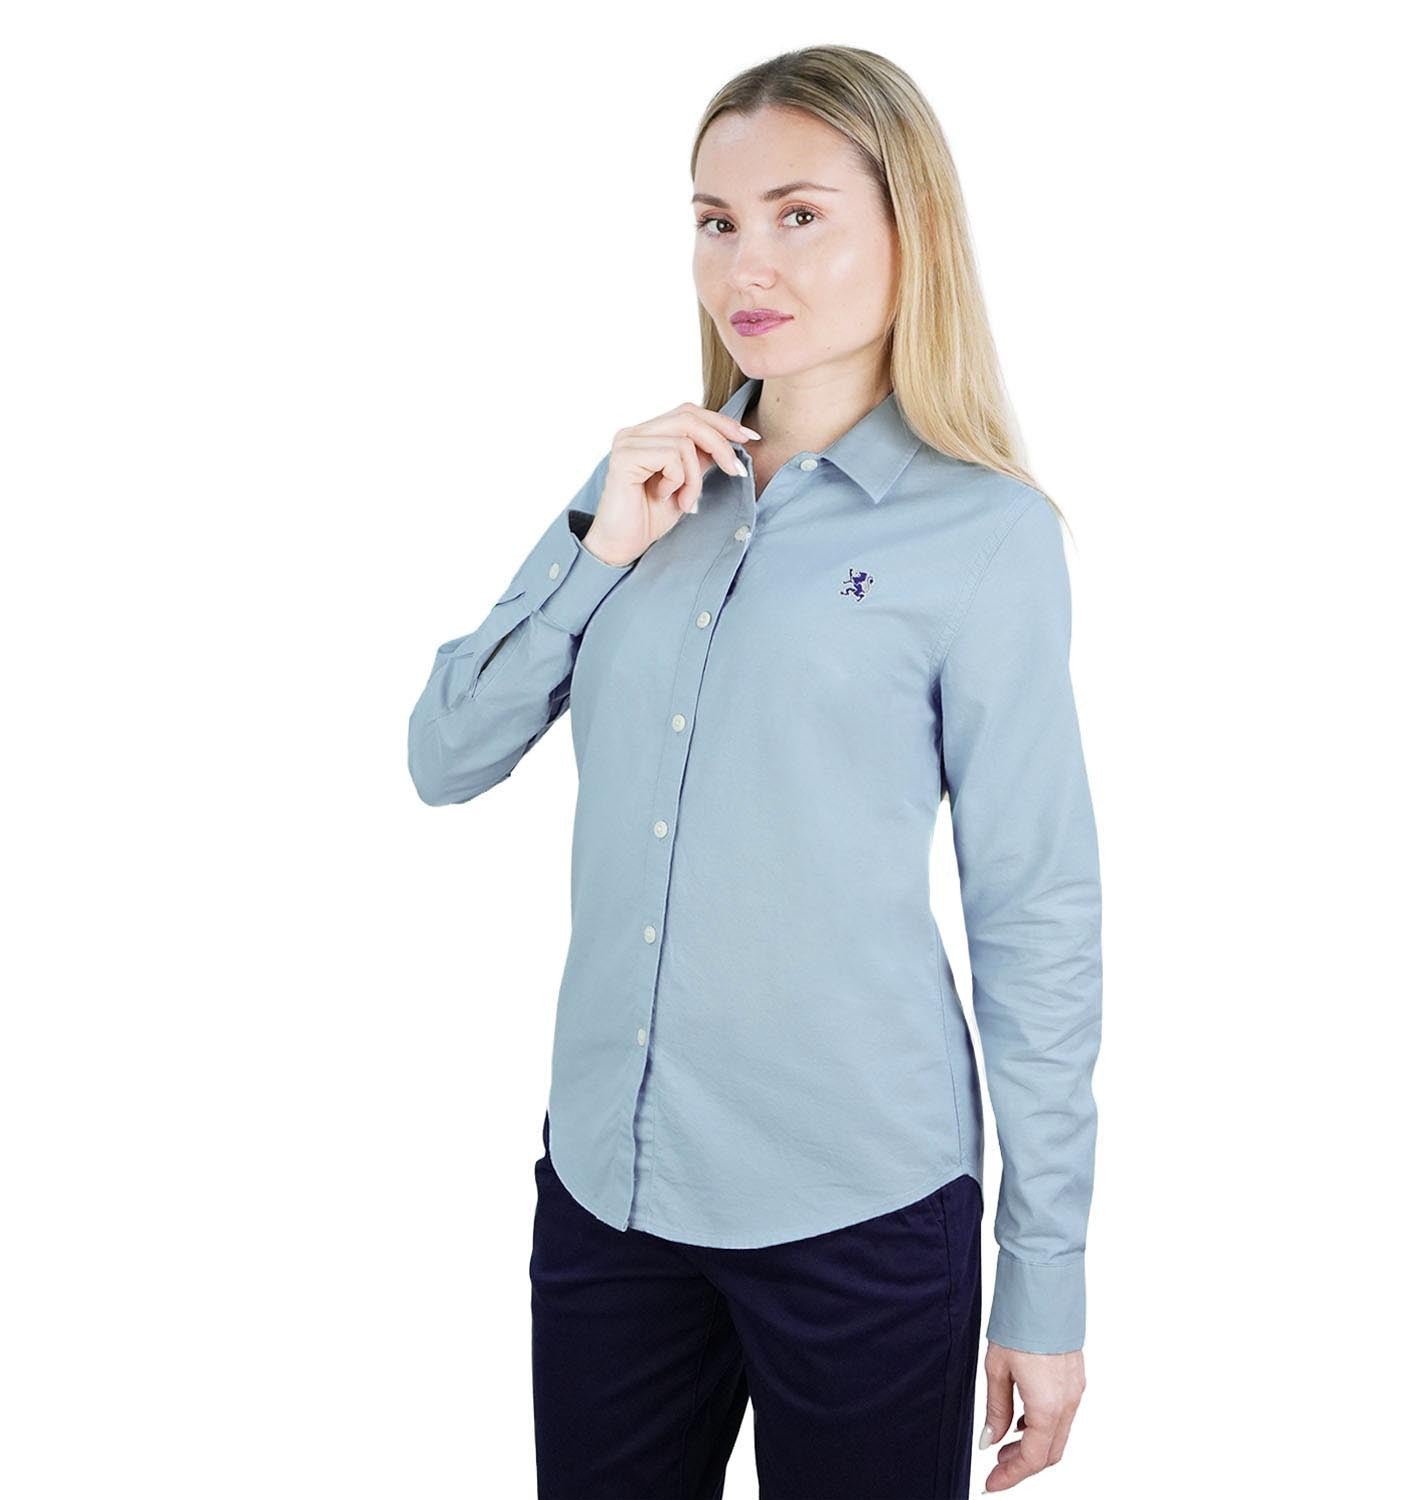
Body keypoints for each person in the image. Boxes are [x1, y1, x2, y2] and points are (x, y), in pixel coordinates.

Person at [407, 44, 1102, 1500]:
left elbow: (1036, 914)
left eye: (799, 215)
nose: (747, 265)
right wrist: (602, 548)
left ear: (910, 230)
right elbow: (446, 755)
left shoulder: (985, 536)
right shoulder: (642, 489)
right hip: (610, 1193)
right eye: (716, 221)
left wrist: (1044, 1280)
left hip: (859, 1208)